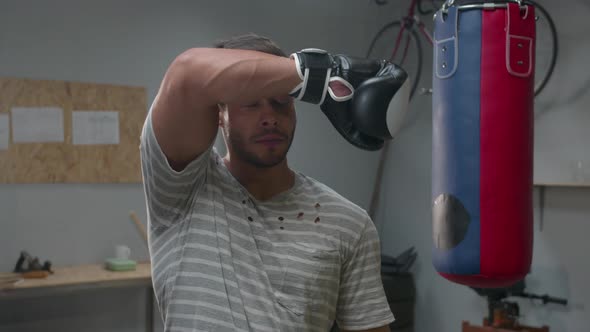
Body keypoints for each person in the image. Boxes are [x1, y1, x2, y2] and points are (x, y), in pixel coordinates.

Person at [140, 33, 409, 331]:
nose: (269, 117)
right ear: (220, 114)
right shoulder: (183, 186)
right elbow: (187, 74)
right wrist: (323, 73)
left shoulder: (349, 224)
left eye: (281, 101)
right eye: (250, 103)